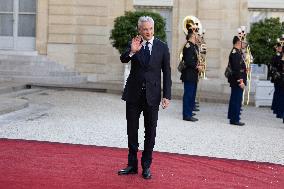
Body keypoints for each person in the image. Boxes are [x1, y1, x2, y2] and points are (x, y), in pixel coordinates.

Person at [118, 16, 172, 179]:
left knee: (150, 132)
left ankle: (146, 166)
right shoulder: (135, 43)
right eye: (145, 29)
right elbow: (123, 58)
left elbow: (167, 72)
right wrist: (132, 51)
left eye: (150, 29)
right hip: (133, 94)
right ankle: (132, 165)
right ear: (139, 30)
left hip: (152, 96)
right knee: (132, 131)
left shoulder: (162, 47)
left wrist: (167, 95)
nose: (148, 32)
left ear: (153, 29)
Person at [180, 29, 202, 122]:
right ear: (193, 35)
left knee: (192, 94)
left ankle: (189, 111)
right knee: (188, 94)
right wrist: (197, 66)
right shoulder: (188, 46)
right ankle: (186, 115)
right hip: (189, 74)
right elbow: (189, 61)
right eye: (196, 34)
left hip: (193, 74)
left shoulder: (193, 46)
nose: (198, 36)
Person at [227, 36, 247, 126]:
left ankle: (232, 117)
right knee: (236, 99)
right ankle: (235, 119)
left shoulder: (238, 52)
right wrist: (241, 81)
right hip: (237, 80)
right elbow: (236, 69)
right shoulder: (235, 53)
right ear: (239, 42)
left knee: (235, 99)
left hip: (237, 80)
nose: (245, 44)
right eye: (243, 42)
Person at [270, 43, 283, 118]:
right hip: (279, 78)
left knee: (278, 94)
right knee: (279, 94)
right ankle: (279, 111)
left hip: (278, 78)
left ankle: (276, 109)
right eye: (280, 47)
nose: (281, 48)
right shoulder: (278, 55)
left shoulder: (278, 55)